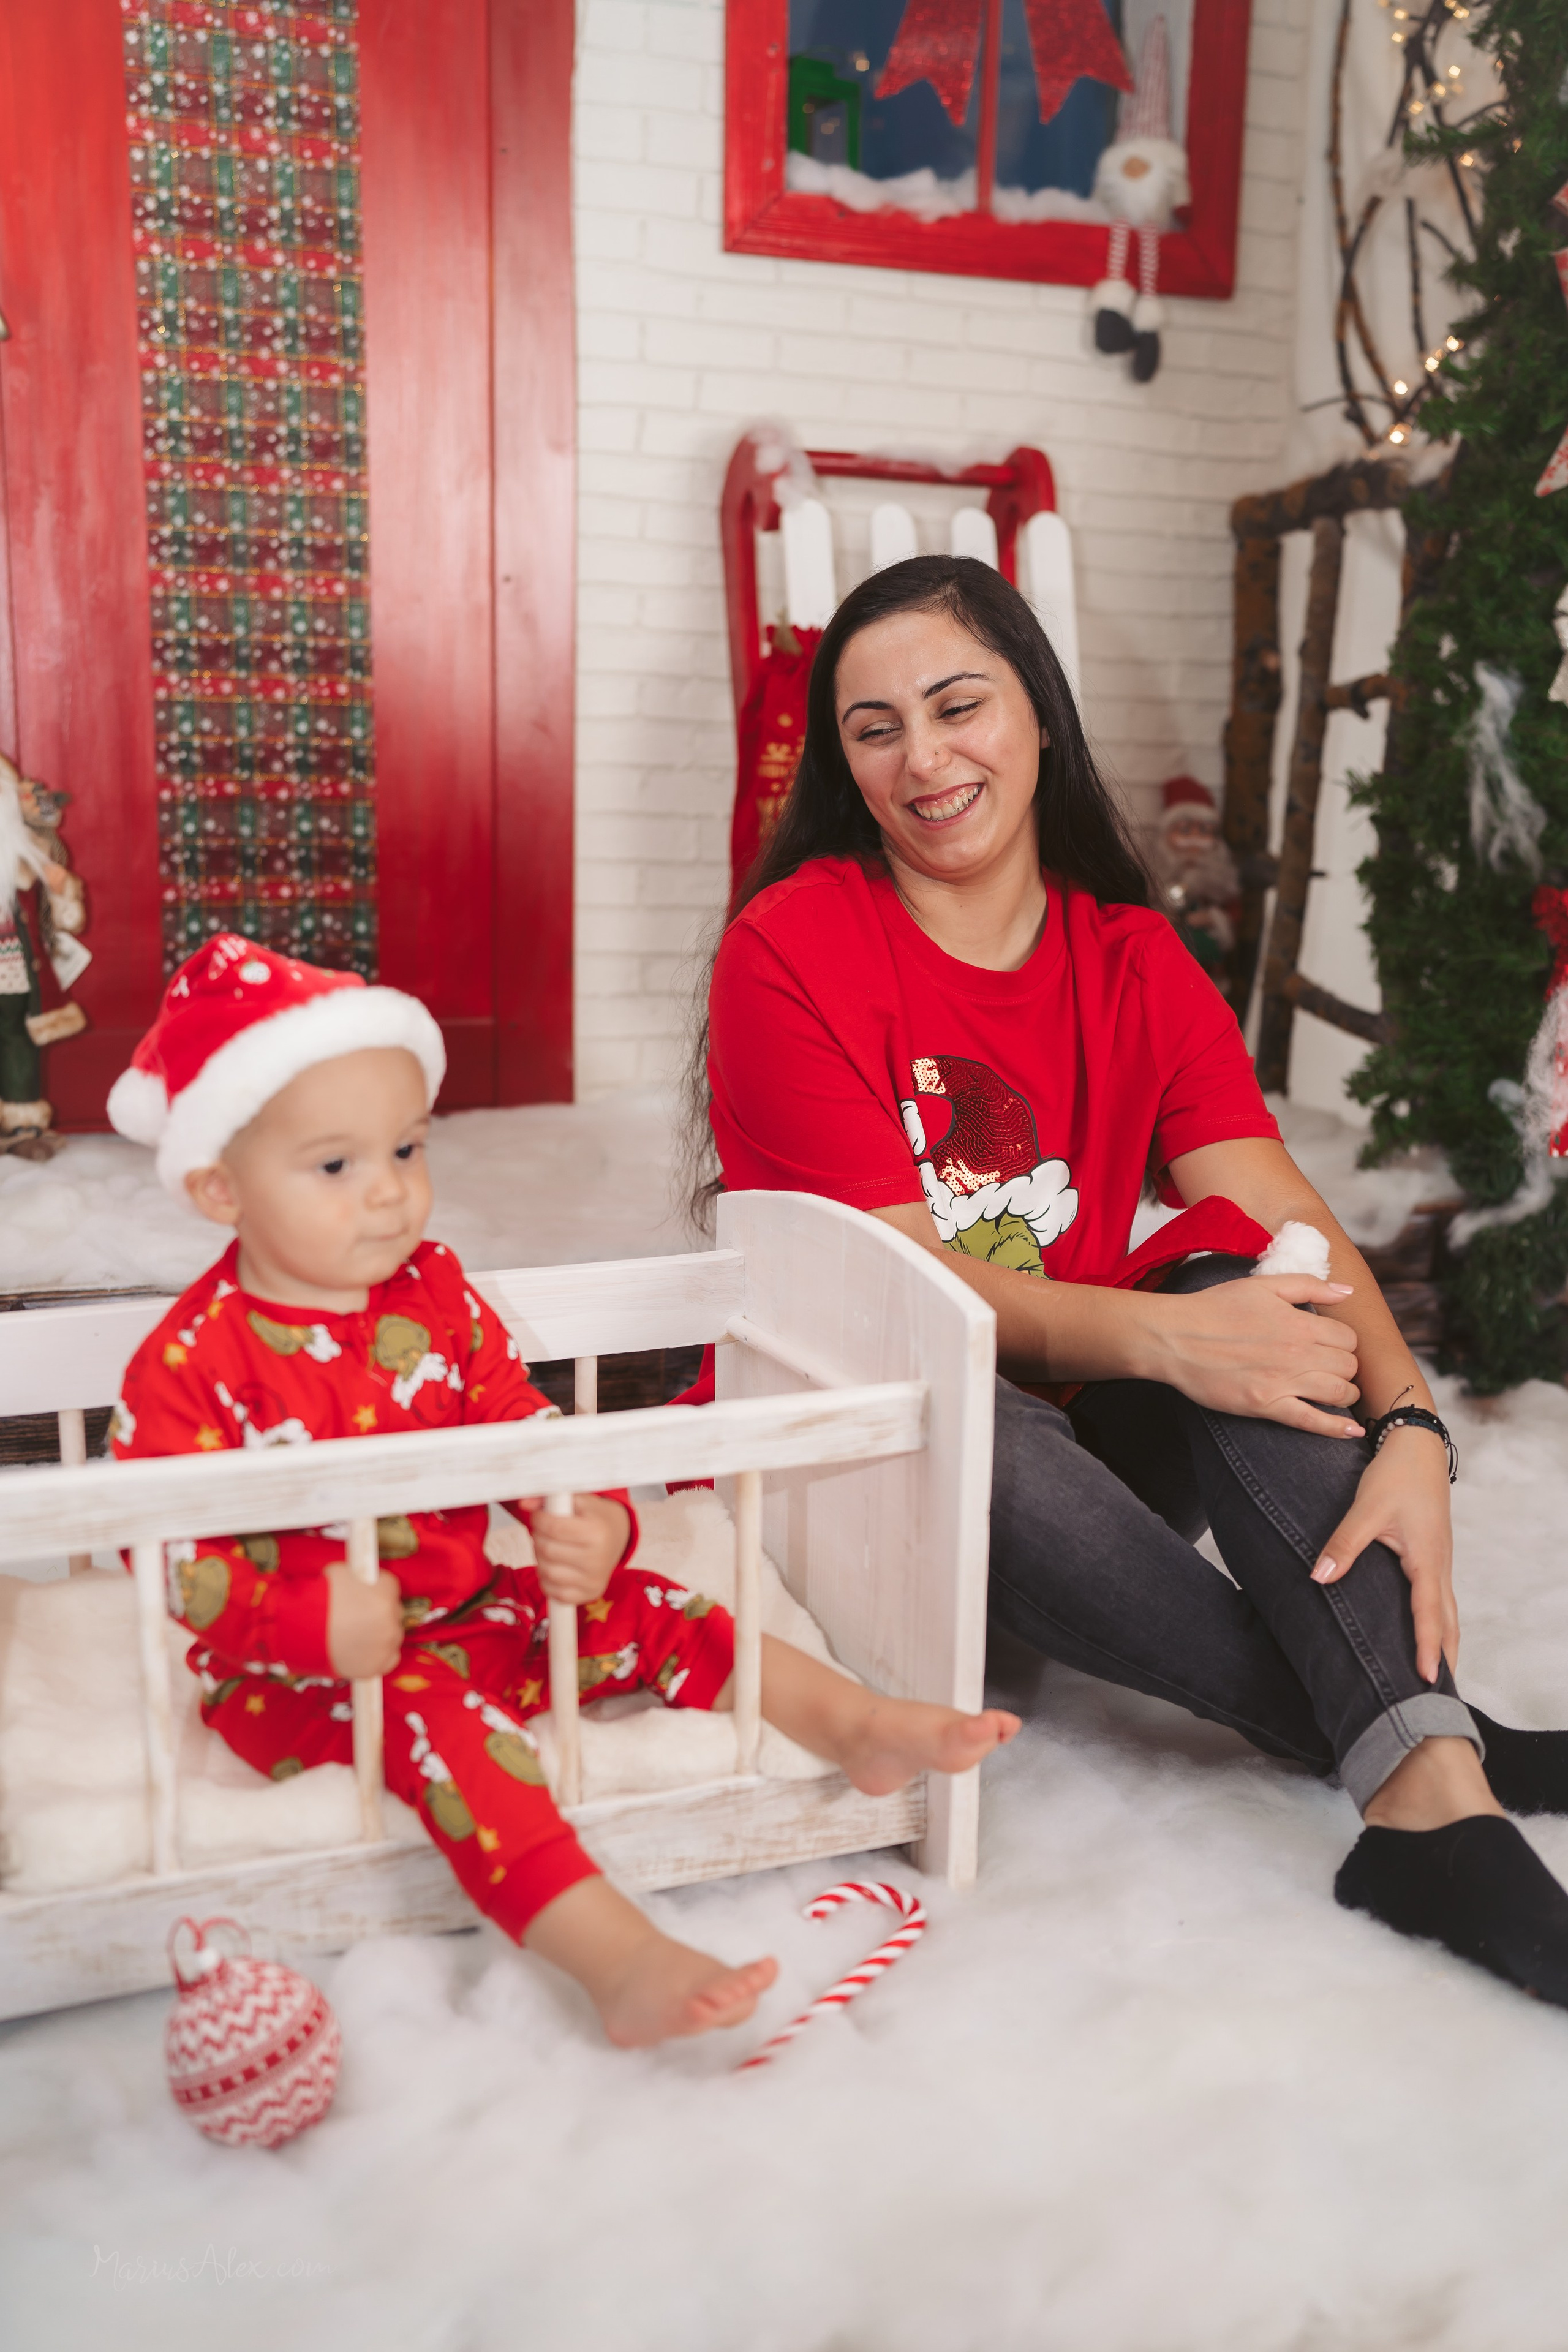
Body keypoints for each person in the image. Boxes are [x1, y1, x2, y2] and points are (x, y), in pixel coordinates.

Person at [695, 552, 1568, 2008]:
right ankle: (1420, 1742)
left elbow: (1281, 1213)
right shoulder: (788, 947)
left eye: (957, 706)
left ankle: (1420, 1797)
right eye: (873, 729)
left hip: (1097, 1443)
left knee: (1242, 1279)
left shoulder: (1133, 958)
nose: (924, 759)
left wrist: (1412, 1427)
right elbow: (900, 1290)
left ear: (1036, 713)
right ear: (844, 766)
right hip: (892, 1465)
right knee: (976, 1397)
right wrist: (1168, 1344)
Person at [107, 934, 1017, 2049]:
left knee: (646, 1606)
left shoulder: (435, 1290)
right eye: (336, 1166)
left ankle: (854, 1723)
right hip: (309, 1678)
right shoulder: (194, 1362)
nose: (390, 1190)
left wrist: (585, 1513)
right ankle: (616, 1957)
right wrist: (303, 1622)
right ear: (218, 1187)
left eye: (407, 1147)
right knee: (449, 1728)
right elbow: (163, 1558)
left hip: (472, 1611)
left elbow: (518, 1419)